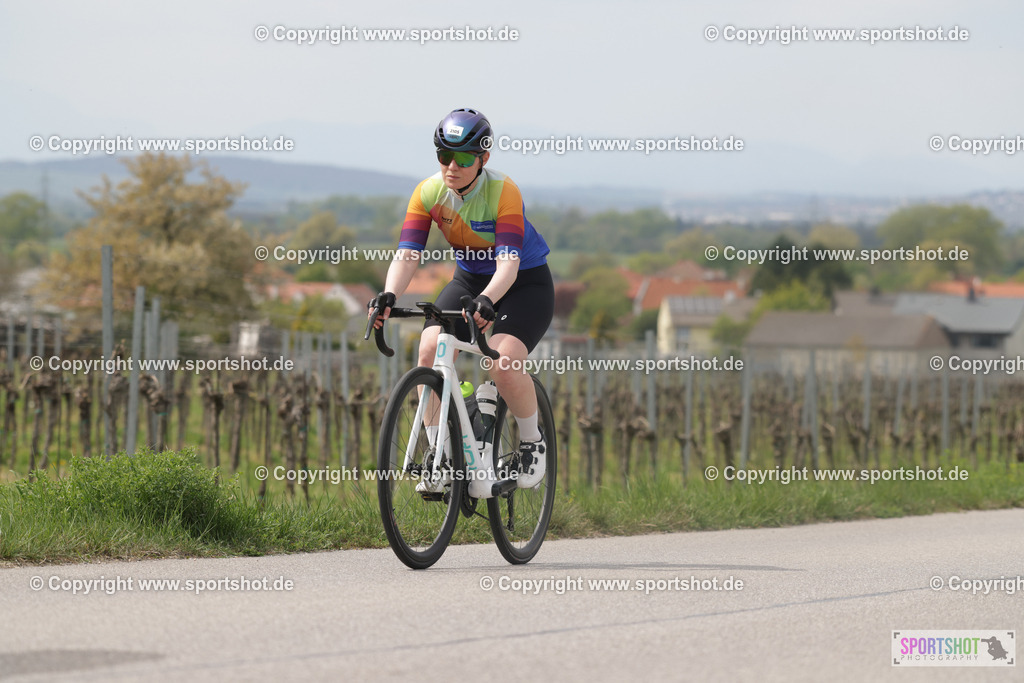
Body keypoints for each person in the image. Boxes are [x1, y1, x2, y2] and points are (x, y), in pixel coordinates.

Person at [369, 107, 554, 490]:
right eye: (443, 156)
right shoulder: (429, 193)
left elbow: (508, 266)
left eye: (464, 158)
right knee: (428, 349)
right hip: (468, 280)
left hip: (523, 284)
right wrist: (389, 294)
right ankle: (441, 451)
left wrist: (487, 301)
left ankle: (533, 444)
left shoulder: (504, 190)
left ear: (483, 158)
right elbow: (407, 254)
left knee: (501, 362)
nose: (451, 166)